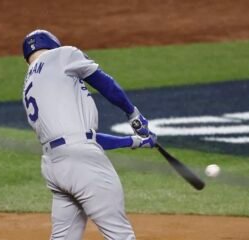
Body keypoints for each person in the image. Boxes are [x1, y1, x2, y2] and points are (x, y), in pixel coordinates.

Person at [21, 29, 156, 240]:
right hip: (82, 163)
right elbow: (105, 83)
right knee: (120, 235)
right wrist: (133, 114)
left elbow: (81, 139)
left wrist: (135, 141)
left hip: (54, 167)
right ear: (54, 45)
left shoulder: (29, 84)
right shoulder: (63, 55)